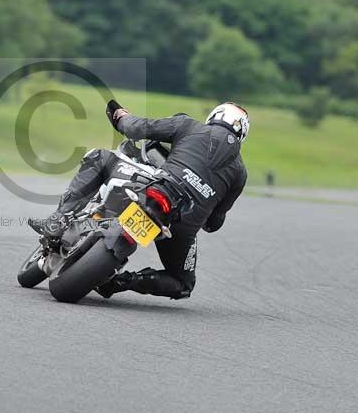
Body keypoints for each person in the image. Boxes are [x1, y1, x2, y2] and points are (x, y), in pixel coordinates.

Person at [29, 100, 249, 300]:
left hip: (156, 188)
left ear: (214, 116)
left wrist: (119, 116)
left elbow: (135, 128)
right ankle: (121, 282)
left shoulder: (189, 125)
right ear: (242, 134)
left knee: (100, 157)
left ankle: (58, 220)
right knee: (183, 284)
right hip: (182, 225)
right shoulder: (240, 173)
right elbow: (215, 222)